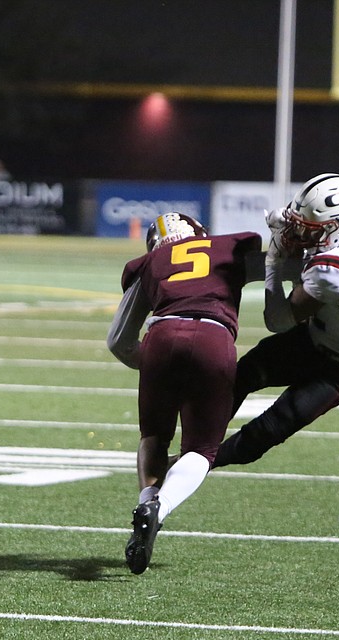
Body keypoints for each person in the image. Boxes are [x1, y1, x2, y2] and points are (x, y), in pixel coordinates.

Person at [107, 212, 263, 574]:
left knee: (154, 436)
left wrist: (151, 363)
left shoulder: (151, 263)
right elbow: (278, 267)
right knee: (202, 449)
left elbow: (118, 340)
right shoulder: (226, 250)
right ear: (199, 234)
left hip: (161, 335)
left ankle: (147, 499)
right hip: (213, 336)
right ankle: (160, 508)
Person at [213, 173, 339, 468]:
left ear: (334, 229)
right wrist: (293, 223)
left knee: (268, 428)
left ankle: (196, 464)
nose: (299, 233)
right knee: (242, 374)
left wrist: (273, 262)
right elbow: (302, 226)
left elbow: (278, 320)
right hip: (317, 335)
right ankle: (199, 447)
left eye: (310, 229)